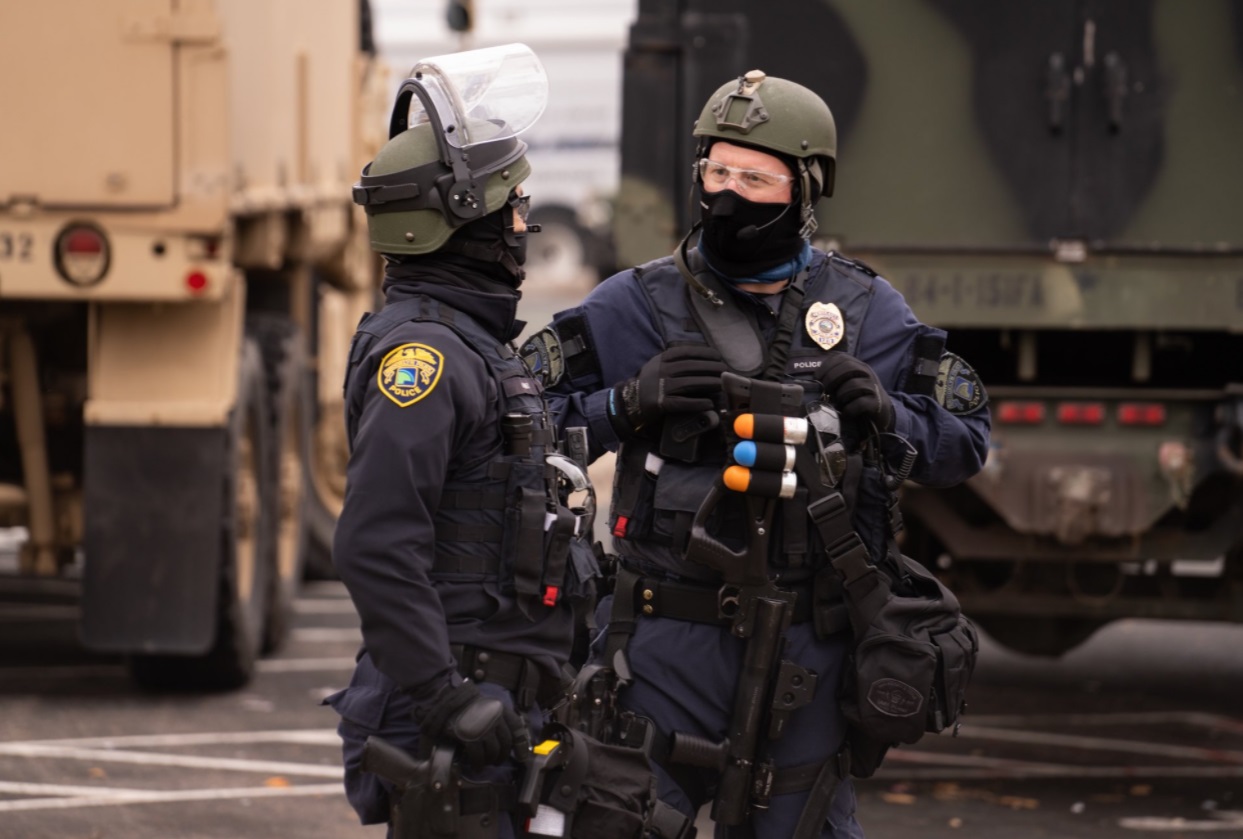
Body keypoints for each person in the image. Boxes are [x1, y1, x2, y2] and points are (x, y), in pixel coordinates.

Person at [523, 70, 991, 837]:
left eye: (756, 177)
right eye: (716, 171)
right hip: (658, 644)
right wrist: (621, 406)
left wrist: (883, 413)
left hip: (808, 649)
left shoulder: (866, 311)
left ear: (805, 190)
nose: (729, 194)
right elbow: (514, 416)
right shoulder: (630, 306)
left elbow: (966, 436)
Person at [323, 46, 598, 837]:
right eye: (511, 209)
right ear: (459, 218)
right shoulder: (427, 357)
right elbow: (376, 543)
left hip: (500, 697)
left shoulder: (475, 344)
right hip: (451, 706)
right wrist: (444, 694)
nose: (521, 225)